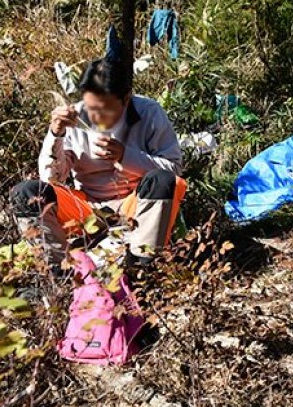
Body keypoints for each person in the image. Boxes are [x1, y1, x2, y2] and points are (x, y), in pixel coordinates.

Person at [10, 57, 184, 265]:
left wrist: (125, 156)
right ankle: (58, 271)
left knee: (165, 181)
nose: (97, 117)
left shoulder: (149, 113)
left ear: (127, 98)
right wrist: (55, 134)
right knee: (27, 194)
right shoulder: (75, 118)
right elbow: (51, 178)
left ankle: (142, 263)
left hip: (135, 205)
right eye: (91, 108)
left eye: (106, 109)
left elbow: (173, 168)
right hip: (87, 208)